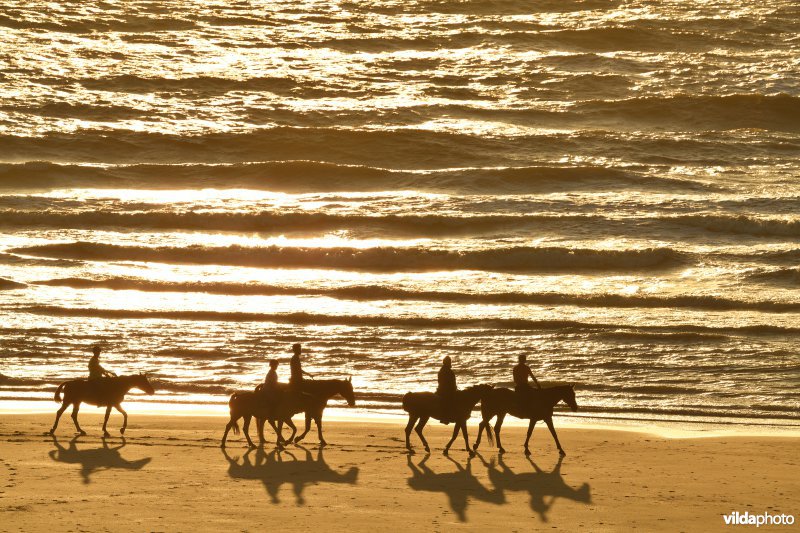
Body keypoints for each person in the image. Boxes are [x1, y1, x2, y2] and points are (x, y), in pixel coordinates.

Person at [436, 356, 458, 423]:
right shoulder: (447, 371)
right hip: (445, 390)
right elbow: (445, 382)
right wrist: (453, 388)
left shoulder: (442, 370)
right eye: (449, 362)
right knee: (449, 401)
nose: (450, 363)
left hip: (444, 389)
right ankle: (445, 418)